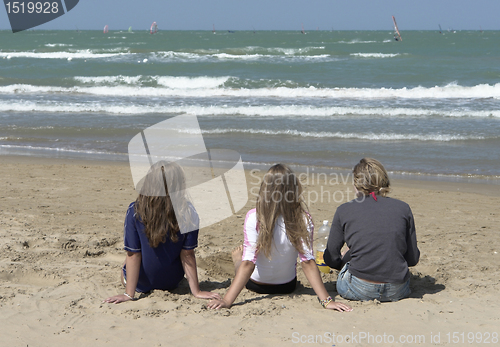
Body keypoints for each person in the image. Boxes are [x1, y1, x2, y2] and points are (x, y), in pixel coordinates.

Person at [207, 164, 352, 312]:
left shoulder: (254, 217)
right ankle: (239, 257)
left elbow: (249, 264)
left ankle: (236, 258)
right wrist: (327, 301)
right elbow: (307, 261)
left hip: (256, 285)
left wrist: (227, 300)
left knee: (243, 260)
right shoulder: (303, 219)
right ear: (294, 190)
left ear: (265, 189)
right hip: (287, 286)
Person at [104, 161, 220, 304]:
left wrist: (129, 294)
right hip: (172, 282)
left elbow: (133, 255)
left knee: (129, 257)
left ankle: (130, 282)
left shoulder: (135, 210)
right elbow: (187, 254)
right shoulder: (188, 211)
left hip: (142, 284)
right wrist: (196, 291)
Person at [324, 158, 420, 302]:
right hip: (397, 290)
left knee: (352, 256)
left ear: (357, 184)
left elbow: (330, 258)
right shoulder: (403, 208)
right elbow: (412, 259)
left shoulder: (344, 210)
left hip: (358, 288)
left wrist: (346, 259)